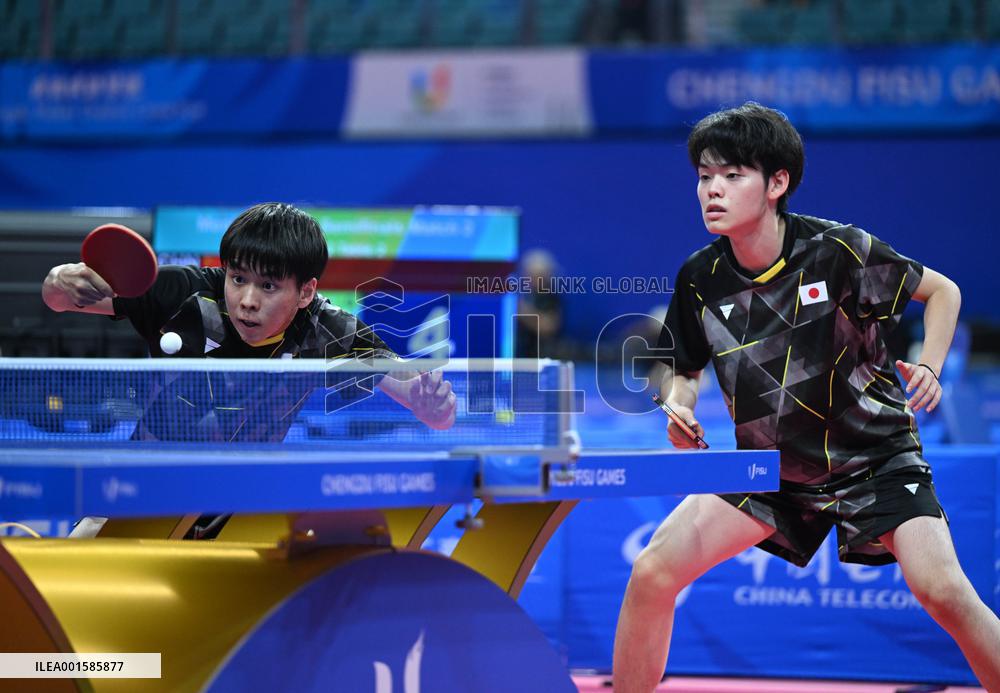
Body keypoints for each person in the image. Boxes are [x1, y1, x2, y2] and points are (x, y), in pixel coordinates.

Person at [613, 103, 1000, 691]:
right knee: (652, 572)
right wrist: (681, 405)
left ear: (777, 183)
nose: (711, 190)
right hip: (770, 468)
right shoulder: (699, 277)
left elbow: (943, 291)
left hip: (873, 460)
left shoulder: (838, 251)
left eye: (732, 175)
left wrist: (930, 365)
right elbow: (681, 366)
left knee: (943, 591)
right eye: (703, 176)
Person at [42, 202, 458, 440]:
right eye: (237, 279)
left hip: (242, 501)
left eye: (269, 287)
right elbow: (57, 300)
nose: (247, 301)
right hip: (147, 484)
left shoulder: (327, 329)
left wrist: (433, 406)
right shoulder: (183, 293)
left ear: (306, 292)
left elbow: (419, 398)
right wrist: (62, 280)